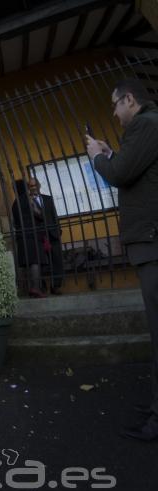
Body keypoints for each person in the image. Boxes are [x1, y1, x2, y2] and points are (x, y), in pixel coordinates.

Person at [86, 78, 158, 442]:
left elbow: (121, 174)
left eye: (115, 105)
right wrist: (112, 154)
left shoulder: (146, 124)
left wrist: (98, 157)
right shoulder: (147, 130)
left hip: (153, 240)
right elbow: (132, 169)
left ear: (130, 100)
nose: (114, 113)